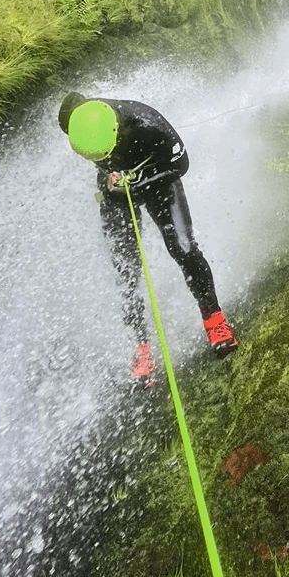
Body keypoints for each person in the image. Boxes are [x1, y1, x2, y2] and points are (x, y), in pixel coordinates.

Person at [58, 92, 238, 386]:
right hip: (116, 191)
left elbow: (181, 165)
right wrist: (108, 180)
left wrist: (141, 182)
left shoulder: (147, 122)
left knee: (184, 248)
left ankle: (214, 320)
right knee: (125, 268)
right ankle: (141, 348)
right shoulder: (75, 117)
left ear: (115, 131)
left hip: (159, 178)